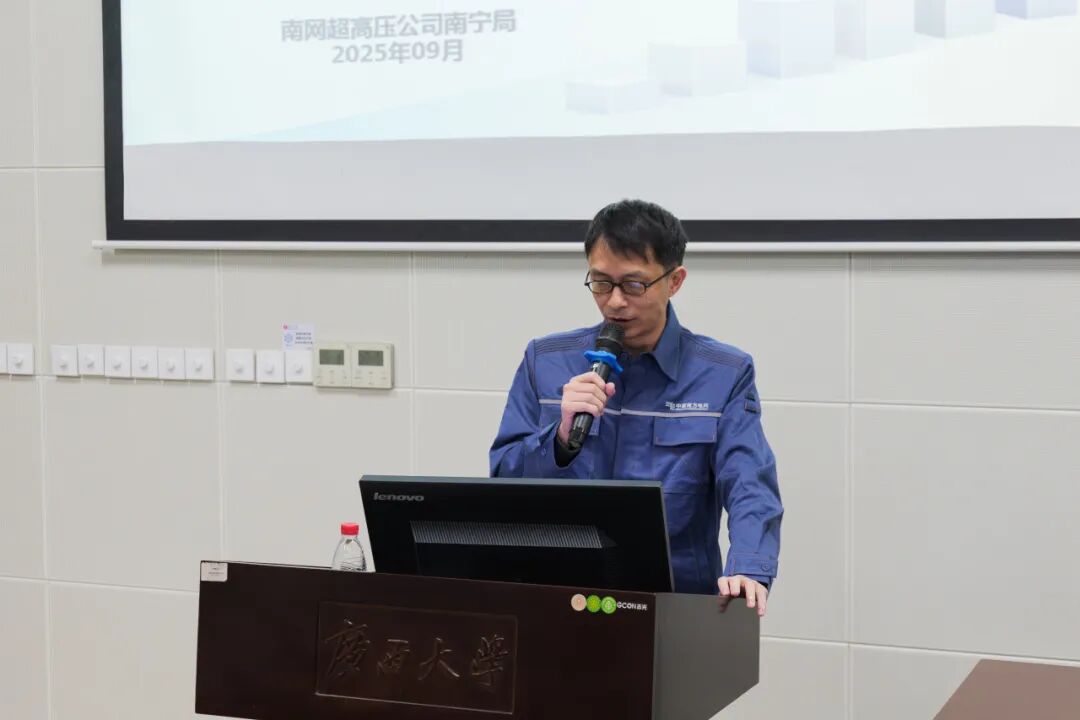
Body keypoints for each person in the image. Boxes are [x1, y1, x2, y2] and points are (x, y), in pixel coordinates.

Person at [489, 199, 782, 616]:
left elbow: (749, 484)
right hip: (558, 601)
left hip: (674, 607)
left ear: (674, 281)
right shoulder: (546, 361)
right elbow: (503, 481)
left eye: (633, 285)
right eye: (600, 283)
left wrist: (748, 569)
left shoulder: (723, 374)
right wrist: (558, 440)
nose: (614, 302)